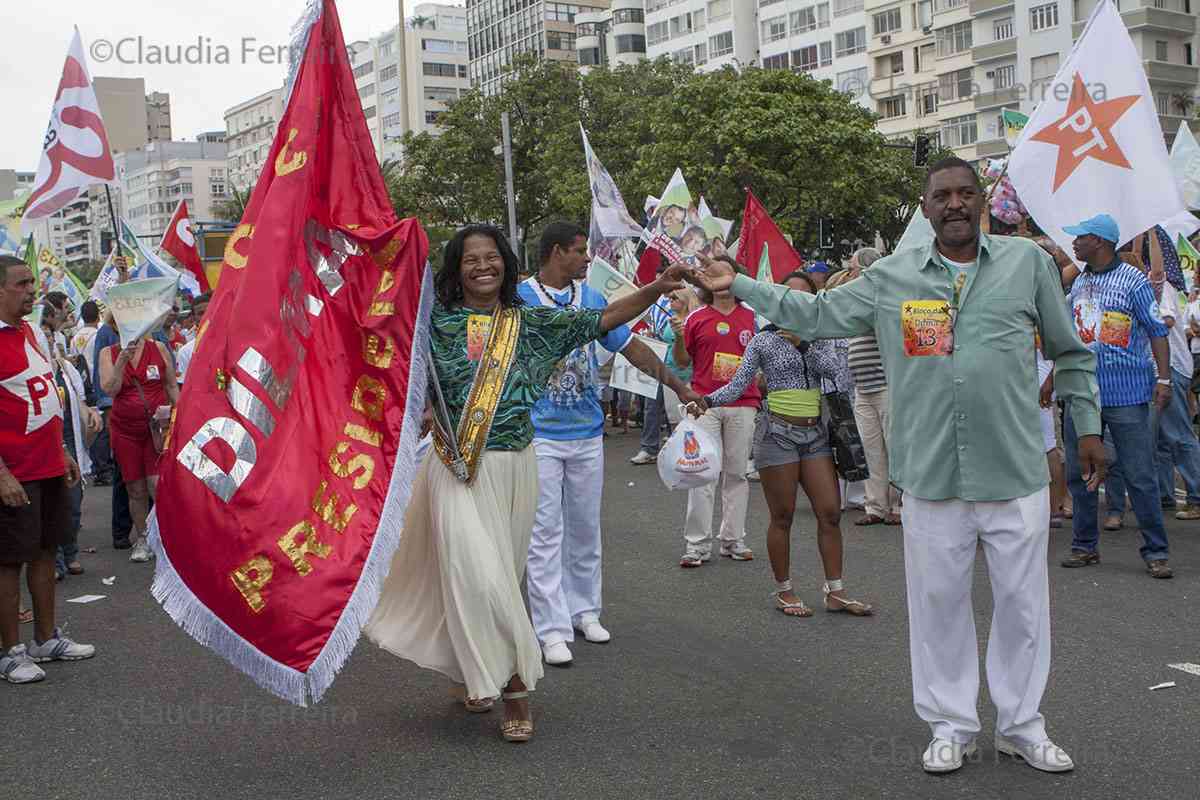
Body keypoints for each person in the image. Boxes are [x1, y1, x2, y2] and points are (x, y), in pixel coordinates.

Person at [689, 157, 1104, 775]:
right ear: (927, 206)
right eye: (943, 196)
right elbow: (815, 315)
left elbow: (1070, 353)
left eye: (967, 193)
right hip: (932, 473)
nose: (956, 204)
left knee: (1024, 606)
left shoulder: (1027, 265)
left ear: (980, 202)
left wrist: (1088, 427)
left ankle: (1022, 725)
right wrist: (740, 283)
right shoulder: (891, 276)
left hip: (1013, 469)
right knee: (938, 605)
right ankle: (951, 724)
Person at [365, 224, 686, 742]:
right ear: (456, 269)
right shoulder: (433, 325)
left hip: (515, 466)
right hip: (455, 467)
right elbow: (390, 372)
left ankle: (472, 671)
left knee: (499, 574)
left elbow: (603, 319)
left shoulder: (533, 323)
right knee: (479, 575)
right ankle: (516, 687)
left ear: (506, 263)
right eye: (470, 259)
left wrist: (654, 289)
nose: (482, 267)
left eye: (491, 257)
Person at [518, 223, 698, 667]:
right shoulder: (520, 298)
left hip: (586, 434)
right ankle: (551, 628)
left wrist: (677, 385)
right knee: (544, 535)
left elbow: (631, 348)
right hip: (538, 434)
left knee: (584, 527)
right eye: (579, 252)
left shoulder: (593, 299)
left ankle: (584, 611)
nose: (585, 259)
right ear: (556, 253)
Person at [690, 270, 873, 618]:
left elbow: (839, 375)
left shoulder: (820, 338)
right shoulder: (762, 340)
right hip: (777, 435)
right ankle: (784, 590)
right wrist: (707, 401)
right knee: (783, 516)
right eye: (788, 297)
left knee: (830, 513)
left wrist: (804, 343)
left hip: (816, 435)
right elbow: (739, 383)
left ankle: (836, 590)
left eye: (803, 299)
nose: (794, 305)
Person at [1059, 214, 1173, 579]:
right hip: (1082, 396)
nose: (1073, 244)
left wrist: (1165, 379)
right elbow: (1070, 335)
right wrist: (1052, 382)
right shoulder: (1079, 282)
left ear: (1102, 242)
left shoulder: (1134, 282)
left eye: (1080, 238)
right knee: (1081, 474)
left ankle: (1156, 551)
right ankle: (1084, 546)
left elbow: (1157, 331)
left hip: (1126, 394)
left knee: (1140, 474)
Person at [0, 254, 95, 684]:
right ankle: (9, 651)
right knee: (7, 562)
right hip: (13, 471)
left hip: (47, 463)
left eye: (32, 282)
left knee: (44, 550)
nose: (32, 290)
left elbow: (41, 397)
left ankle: (44, 637)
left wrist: (62, 450)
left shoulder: (33, 333)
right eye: (21, 283)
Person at [673, 255, 759, 567]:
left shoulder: (752, 318)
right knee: (702, 474)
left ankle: (733, 539)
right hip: (704, 403)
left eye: (726, 272)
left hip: (743, 403)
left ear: (737, 277)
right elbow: (682, 362)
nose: (720, 278)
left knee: (736, 473)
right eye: (713, 273)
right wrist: (680, 336)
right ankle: (697, 545)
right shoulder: (697, 317)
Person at [98, 329, 178, 564]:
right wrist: (122, 360)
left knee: (158, 485)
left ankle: (168, 538)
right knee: (135, 489)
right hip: (125, 432)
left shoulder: (159, 348)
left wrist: (181, 416)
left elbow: (172, 385)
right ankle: (143, 539)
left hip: (156, 429)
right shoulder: (108, 353)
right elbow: (110, 389)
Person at [841, 248, 900, 526]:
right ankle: (875, 506)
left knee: (895, 447)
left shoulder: (882, 297)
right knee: (870, 449)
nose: (849, 273)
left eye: (853, 268)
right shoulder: (855, 299)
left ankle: (899, 506)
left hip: (887, 385)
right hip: (863, 387)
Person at [1151, 268, 1200, 519]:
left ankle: (1196, 497)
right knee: (1160, 437)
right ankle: (1165, 496)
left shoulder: (1161, 287)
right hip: (1158, 368)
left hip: (1171, 367)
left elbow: (1167, 319)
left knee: (1179, 434)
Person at [174, 292, 211, 385]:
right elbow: (182, 386)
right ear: (194, 318)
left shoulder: (234, 343)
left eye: (209, 310)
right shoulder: (185, 352)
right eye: (201, 313)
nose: (206, 315)